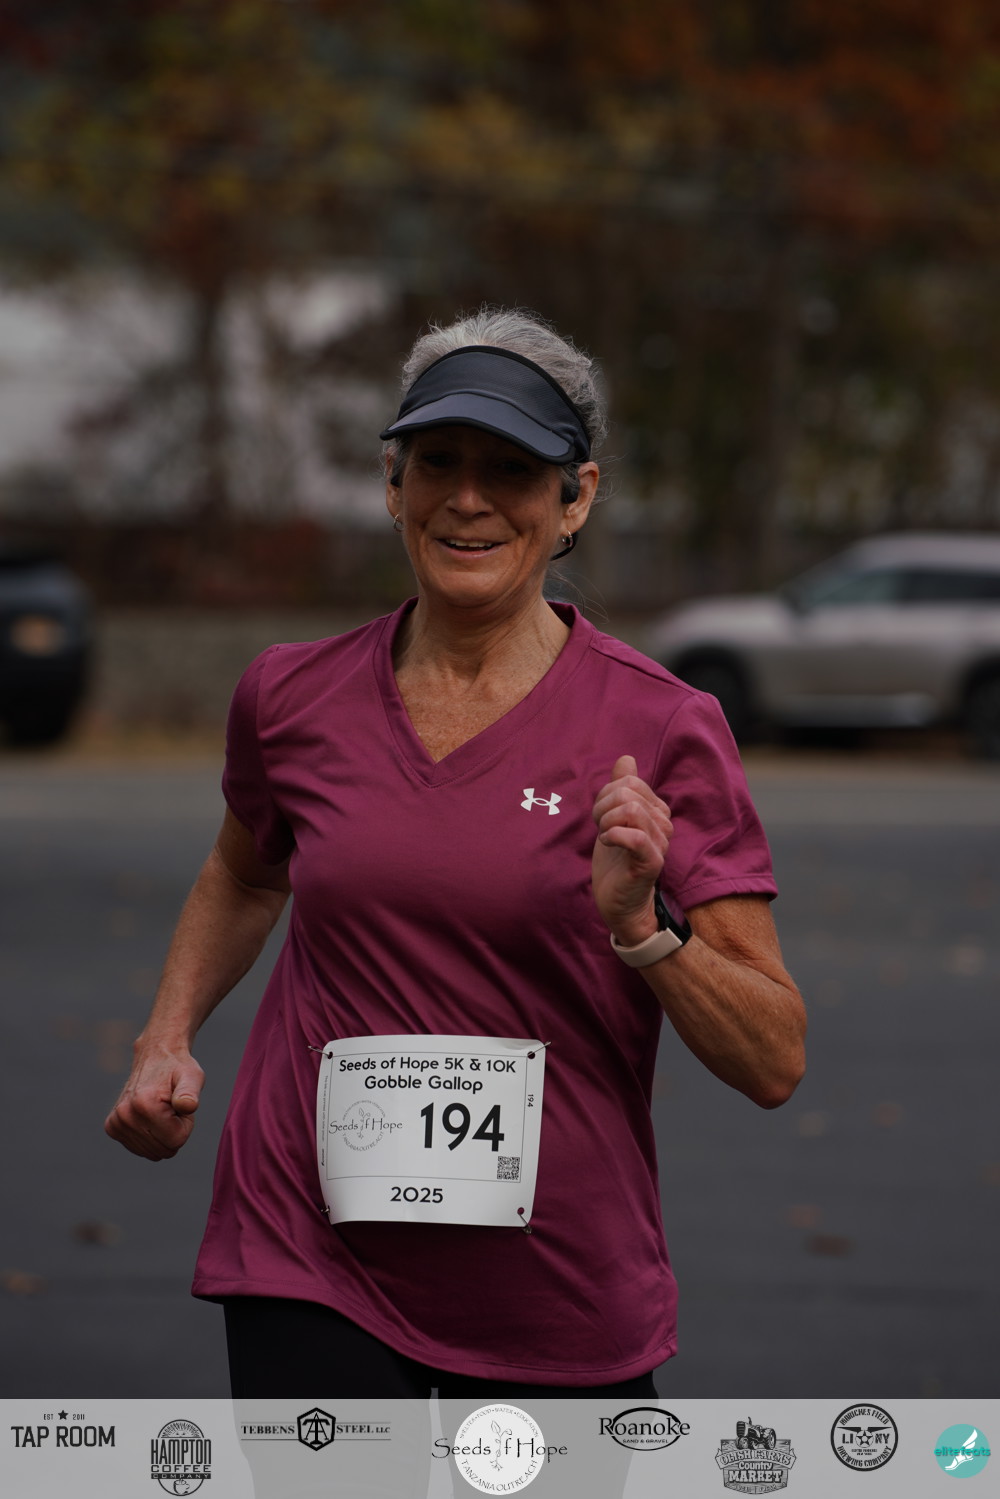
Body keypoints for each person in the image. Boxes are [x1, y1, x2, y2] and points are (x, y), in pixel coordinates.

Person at [106, 307, 806, 1410]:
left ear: (575, 497)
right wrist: (165, 1037)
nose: (467, 499)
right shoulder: (289, 695)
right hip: (303, 1244)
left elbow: (773, 1058)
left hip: (555, 1278)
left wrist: (642, 929)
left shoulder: (662, 725)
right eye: (438, 461)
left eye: (512, 469)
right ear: (393, 484)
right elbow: (246, 871)